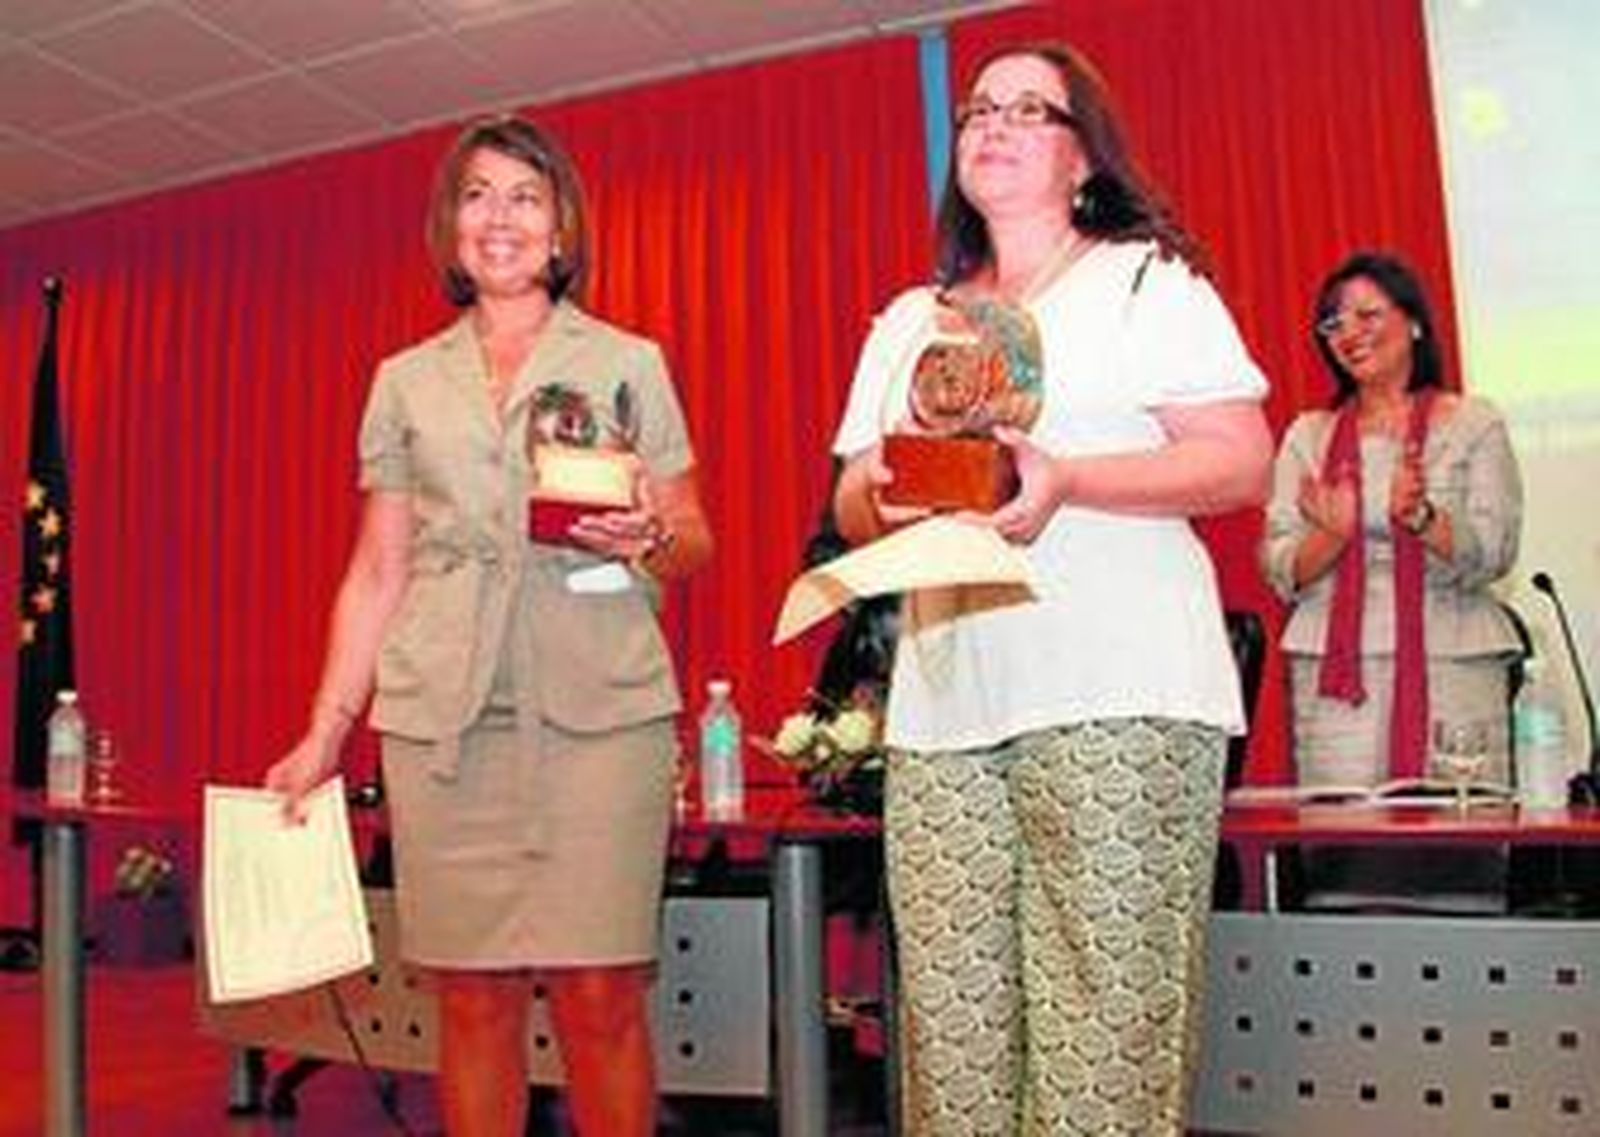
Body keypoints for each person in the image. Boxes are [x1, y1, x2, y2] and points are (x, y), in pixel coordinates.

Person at [830, 42, 1272, 1136]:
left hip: (1119, 692)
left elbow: (1238, 458)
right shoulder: (909, 320)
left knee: (1100, 1048)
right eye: (979, 109)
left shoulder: (1143, 278)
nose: (992, 125)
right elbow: (847, 500)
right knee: (953, 1047)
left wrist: (1068, 479)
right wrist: (890, 489)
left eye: (1030, 110)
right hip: (945, 711)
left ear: (1083, 159)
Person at [264, 114, 712, 1137]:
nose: (498, 216)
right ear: (450, 230)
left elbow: (694, 542)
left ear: (562, 229)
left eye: (524, 195)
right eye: (477, 195)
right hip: (444, 719)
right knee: (471, 998)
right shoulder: (403, 381)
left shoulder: (627, 363)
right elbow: (379, 567)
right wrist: (324, 733)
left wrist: (646, 534)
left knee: (600, 994)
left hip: (600, 712)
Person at [1260, 251, 1524, 909]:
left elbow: (1495, 550)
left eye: (1368, 314)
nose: (1350, 332)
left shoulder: (1474, 422)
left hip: (1450, 659)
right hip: (1336, 674)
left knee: (1453, 861)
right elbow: (1277, 565)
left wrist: (1422, 517)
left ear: (1414, 324)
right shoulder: (1307, 434)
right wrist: (1335, 533)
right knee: (1350, 867)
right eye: (1333, 323)